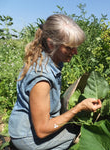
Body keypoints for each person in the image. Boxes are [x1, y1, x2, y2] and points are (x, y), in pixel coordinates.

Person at [8, 14, 102, 150]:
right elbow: (41, 130)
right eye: (69, 47)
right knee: (80, 131)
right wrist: (78, 108)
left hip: (28, 126)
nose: (75, 52)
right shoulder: (41, 80)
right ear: (51, 44)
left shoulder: (48, 57)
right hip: (29, 137)